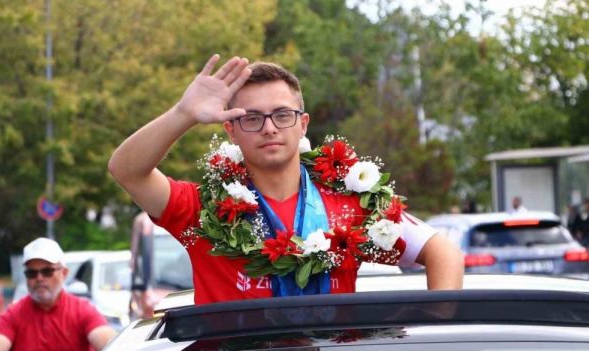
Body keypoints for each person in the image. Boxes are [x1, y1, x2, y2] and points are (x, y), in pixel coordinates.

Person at [108, 55, 463, 304]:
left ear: (303, 124)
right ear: (230, 130)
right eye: (251, 118)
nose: (269, 128)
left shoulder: (352, 201)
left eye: (282, 114)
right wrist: (183, 114)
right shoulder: (203, 210)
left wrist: (440, 326)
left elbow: (443, 253)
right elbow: (127, 171)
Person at [0, 237, 116, 351]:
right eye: (32, 273)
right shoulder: (14, 314)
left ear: (64, 273)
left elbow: (109, 343)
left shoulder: (83, 310)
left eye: (47, 271)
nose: (39, 278)